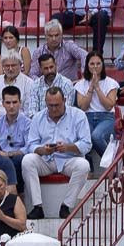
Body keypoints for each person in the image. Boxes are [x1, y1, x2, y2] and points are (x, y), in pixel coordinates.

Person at [22, 87, 91, 220]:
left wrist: (68, 147)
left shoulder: (78, 115)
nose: (53, 109)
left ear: (65, 101)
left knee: (83, 165)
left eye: (57, 105)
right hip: (46, 159)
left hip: (68, 160)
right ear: (45, 103)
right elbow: (31, 144)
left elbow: (87, 144)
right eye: (50, 105)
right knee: (27, 160)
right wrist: (42, 150)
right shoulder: (38, 117)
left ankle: (66, 206)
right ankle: (37, 207)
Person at [72, 51, 118, 166]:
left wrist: (97, 88)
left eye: (98, 63)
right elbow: (83, 106)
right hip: (87, 117)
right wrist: (91, 88)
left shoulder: (111, 83)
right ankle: (89, 167)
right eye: (92, 64)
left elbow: (108, 106)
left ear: (103, 65)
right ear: (87, 65)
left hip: (106, 117)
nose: (95, 67)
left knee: (96, 136)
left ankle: (112, 164)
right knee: (84, 138)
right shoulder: (80, 84)